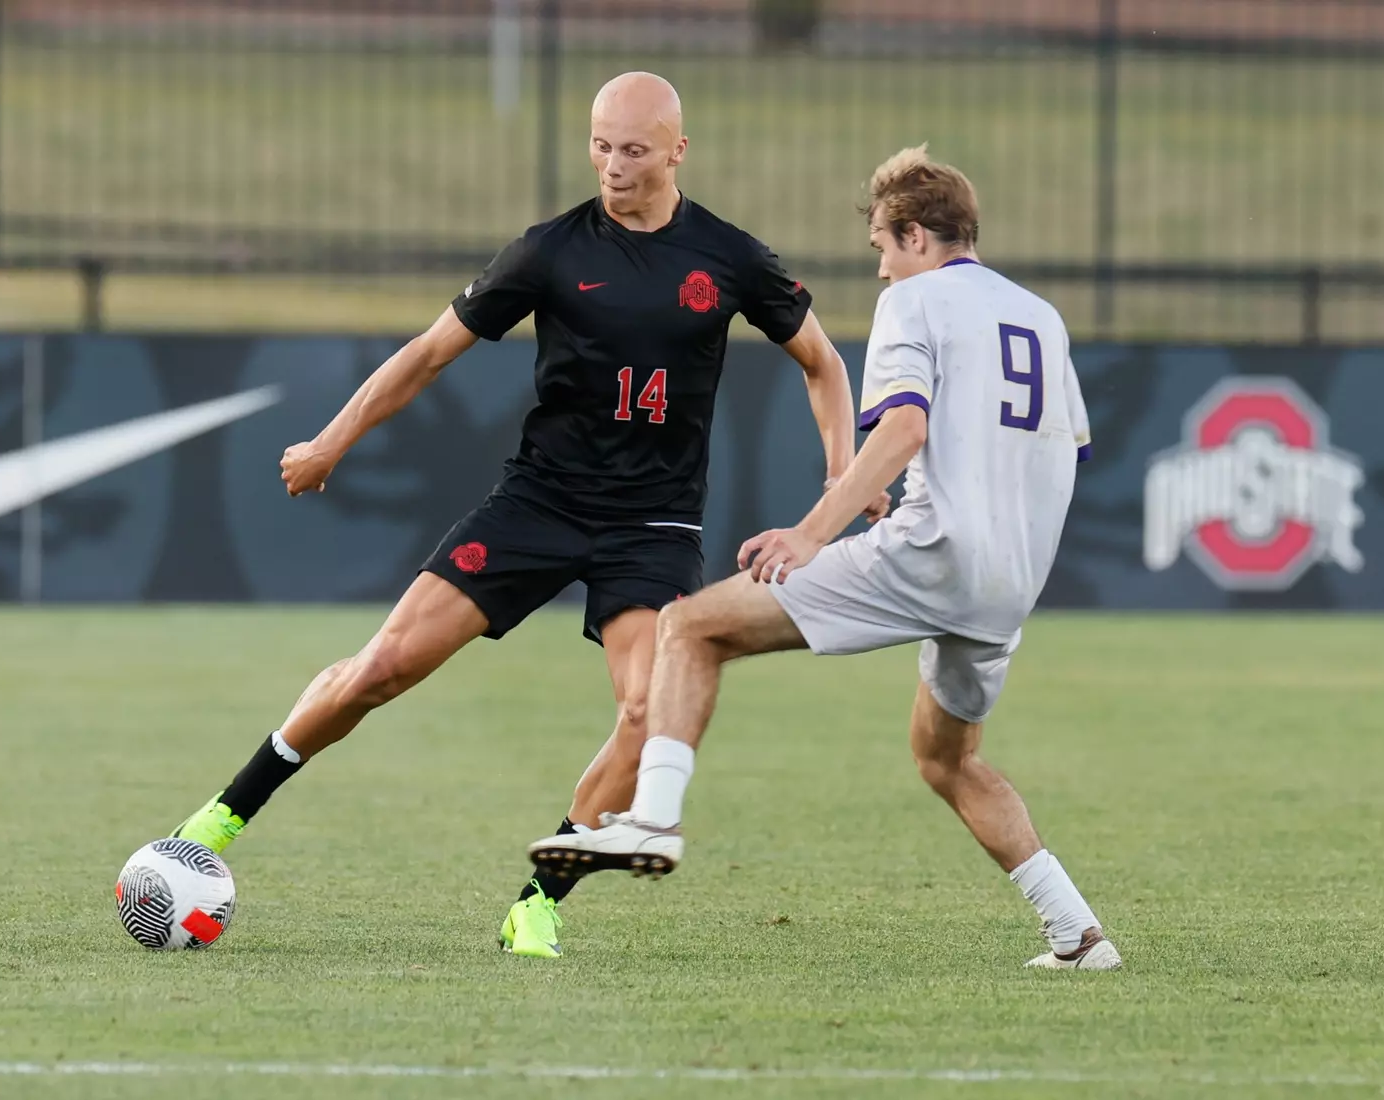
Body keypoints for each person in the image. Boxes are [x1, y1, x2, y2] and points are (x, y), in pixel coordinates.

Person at [169, 72, 884, 960]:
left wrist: (841, 477)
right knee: (384, 668)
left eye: (631, 149)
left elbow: (822, 363)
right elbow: (429, 354)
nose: (612, 165)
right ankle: (223, 815)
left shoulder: (730, 258)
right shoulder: (548, 252)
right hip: (537, 502)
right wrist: (328, 443)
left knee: (642, 711)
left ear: (676, 150)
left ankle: (539, 901)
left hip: (653, 525)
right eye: (599, 145)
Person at [528, 146, 1120, 970]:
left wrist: (814, 532)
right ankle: (1078, 933)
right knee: (947, 758)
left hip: (933, 553)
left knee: (690, 627)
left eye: (881, 245)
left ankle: (653, 817)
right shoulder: (1041, 318)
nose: (880, 269)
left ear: (915, 235)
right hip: (1010, 584)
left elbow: (906, 427)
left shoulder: (916, 303)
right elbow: (1058, 452)